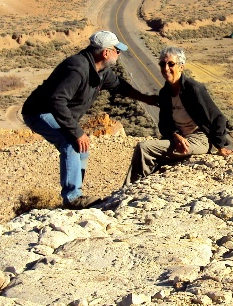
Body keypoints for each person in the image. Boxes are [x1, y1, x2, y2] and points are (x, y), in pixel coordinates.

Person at [22, 30, 157, 209]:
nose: (119, 54)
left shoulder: (100, 70)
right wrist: (77, 132)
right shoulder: (77, 69)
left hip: (56, 112)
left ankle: (77, 193)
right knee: (71, 142)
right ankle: (72, 198)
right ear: (106, 52)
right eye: (117, 50)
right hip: (39, 112)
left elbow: (120, 87)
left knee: (82, 148)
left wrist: (147, 99)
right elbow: (57, 101)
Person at [125, 46, 233, 184]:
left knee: (144, 147)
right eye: (162, 64)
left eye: (171, 64)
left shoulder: (193, 89)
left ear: (181, 67)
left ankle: (130, 187)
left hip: (198, 138)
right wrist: (175, 135)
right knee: (152, 154)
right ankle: (139, 185)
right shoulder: (165, 93)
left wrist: (220, 146)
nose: (166, 68)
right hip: (180, 138)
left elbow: (218, 118)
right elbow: (164, 124)